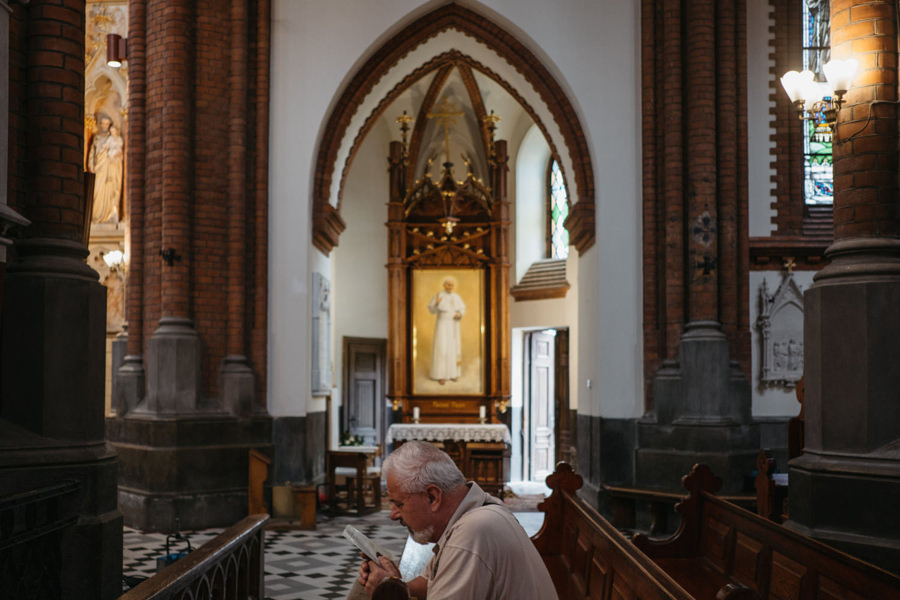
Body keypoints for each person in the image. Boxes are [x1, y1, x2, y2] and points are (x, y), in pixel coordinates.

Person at [355, 441, 558, 599]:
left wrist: (385, 593)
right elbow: (431, 584)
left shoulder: (473, 532)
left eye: (399, 504)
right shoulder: (475, 511)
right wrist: (393, 581)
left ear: (433, 497)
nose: (393, 514)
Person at [427, 277, 465, 384]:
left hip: (453, 324)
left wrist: (459, 314)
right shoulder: (439, 295)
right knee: (442, 348)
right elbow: (431, 310)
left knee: (452, 348)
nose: (450, 286)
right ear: (444, 285)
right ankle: (440, 375)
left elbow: (462, 309)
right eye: (448, 284)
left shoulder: (457, 297)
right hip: (442, 324)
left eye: (451, 285)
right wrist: (436, 303)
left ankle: (453, 374)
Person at [88, 116, 124, 224]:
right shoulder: (97, 138)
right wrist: (91, 165)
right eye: (103, 124)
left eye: (107, 124)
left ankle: (111, 213)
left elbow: (117, 153)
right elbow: (91, 154)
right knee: (97, 191)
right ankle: (95, 215)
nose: (104, 126)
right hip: (99, 169)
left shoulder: (112, 138)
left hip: (109, 168)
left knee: (110, 189)